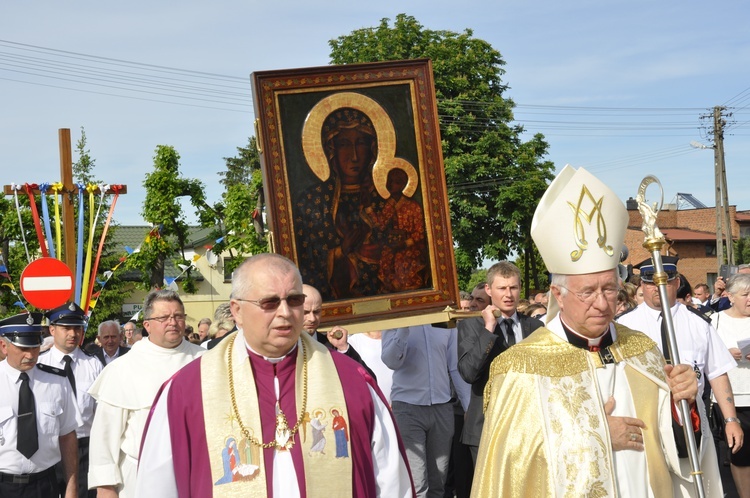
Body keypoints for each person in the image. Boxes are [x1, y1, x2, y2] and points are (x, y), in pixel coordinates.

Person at [473, 165, 703, 497]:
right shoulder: (520, 367)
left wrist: (683, 404)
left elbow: (673, 445)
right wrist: (593, 435)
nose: (601, 303)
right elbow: (510, 465)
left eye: (609, 289)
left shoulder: (643, 350)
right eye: (587, 292)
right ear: (558, 295)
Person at [135, 253, 413, 497]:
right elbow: (156, 487)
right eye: (269, 302)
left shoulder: (351, 382)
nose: (285, 313)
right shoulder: (186, 391)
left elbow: (392, 482)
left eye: (294, 300)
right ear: (237, 311)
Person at [618, 256, 741, 497]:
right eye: (651, 282)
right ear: (641, 285)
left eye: (666, 280)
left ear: (676, 283)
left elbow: (717, 373)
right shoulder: (624, 327)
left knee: (694, 489)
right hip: (644, 425)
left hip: (689, 423)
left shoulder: (698, 323)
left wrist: (731, 420)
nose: (659, 287)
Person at [87, 289, 205, 497]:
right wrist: (105, 487)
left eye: (178, 316)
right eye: (164, 317)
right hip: (140, 475)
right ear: (148, 325)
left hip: (196, 470)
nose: (172, 322)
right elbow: (104, 436)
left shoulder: (206, 360)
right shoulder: (123, 368)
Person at [295, 108, 389, 300]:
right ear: (331, 150)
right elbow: (307, 262)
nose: (354, 156)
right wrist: (340, 252)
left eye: (361, 143)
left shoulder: (384, 199)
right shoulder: (313, 202)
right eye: (344, 144)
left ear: (372, 149)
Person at [457, 261, 544, 465]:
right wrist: (489, 329)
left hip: (527, 426)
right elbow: (469, 373)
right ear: (489, 289)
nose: (508, 294)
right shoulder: (472, 326)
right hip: (486, 426)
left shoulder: (535, 326)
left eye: (513, 287)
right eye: (502, 288)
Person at [382, 323, 470, 498]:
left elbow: (454, 366)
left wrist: (468, 406)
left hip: (442, 406)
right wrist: (403, 328)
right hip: (408, 407)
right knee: (417, 483)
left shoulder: (444, 322)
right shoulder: (394, 322)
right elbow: (391, 361)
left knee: (438, 482)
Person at [0, 312, 81, 498]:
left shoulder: (57, 381)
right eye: (22, 348)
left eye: (35, 347)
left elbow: (67, 435)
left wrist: (71, 488)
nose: (30, 354)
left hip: (45, 485)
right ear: (4, 346)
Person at [37, 303, 103, 498]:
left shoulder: (93, 364)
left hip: (85, 449)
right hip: (49, 448)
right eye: (66, 328)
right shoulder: (39, 364)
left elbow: (101, 411)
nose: (73, 333)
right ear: (52, 329)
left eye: (77, 328)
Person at [710, 273, 750, 496]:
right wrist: (724, 353)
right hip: (732, 398)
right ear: (730, 297)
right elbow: (705, 356)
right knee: (741, 454)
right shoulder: (715, 321)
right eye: (745, 294)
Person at [368, 166, 428, 292]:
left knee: (406, 264)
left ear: (402, 184)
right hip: (391, 246)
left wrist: (405, 243)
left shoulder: (413, 206)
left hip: (409, 247)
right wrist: (369, 211)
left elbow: (420, 231)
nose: (390, 184)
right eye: (388, 180)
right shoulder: (388, 205)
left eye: (394, 181)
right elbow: (381, 225)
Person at [301, 284, 375, 379]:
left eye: (316, 312)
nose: (312, 318)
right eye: (305, 312)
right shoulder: (281, 347)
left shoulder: (331, 346)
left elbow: (369, 379)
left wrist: (342, 348)